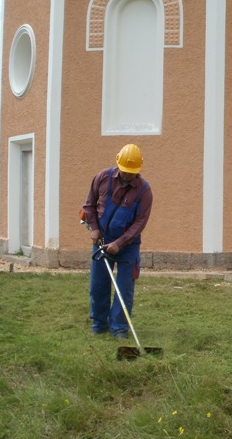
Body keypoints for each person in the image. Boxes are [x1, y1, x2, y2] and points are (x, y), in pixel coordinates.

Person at [81, 144, 153, 338]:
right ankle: (99, 324)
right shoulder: (102, 178)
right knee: (99, 284)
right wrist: (95, 229)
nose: (128, 176)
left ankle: (119, 328)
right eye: (124, 172)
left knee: (124, 288)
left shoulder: (144, 191)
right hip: (102, 241)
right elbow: (89, 205)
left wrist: (119, 243)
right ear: (118, 162)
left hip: (128, 247)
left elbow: (140, 222)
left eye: (132, 173)